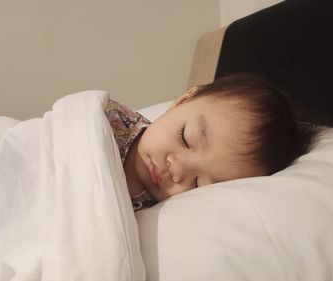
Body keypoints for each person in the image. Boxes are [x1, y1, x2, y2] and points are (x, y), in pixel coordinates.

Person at [105, 73, 317, 211]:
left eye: (197, 184)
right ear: (184, 100)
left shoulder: (157, 212)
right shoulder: (108, 119)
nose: (177, 172)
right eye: (186, 139)